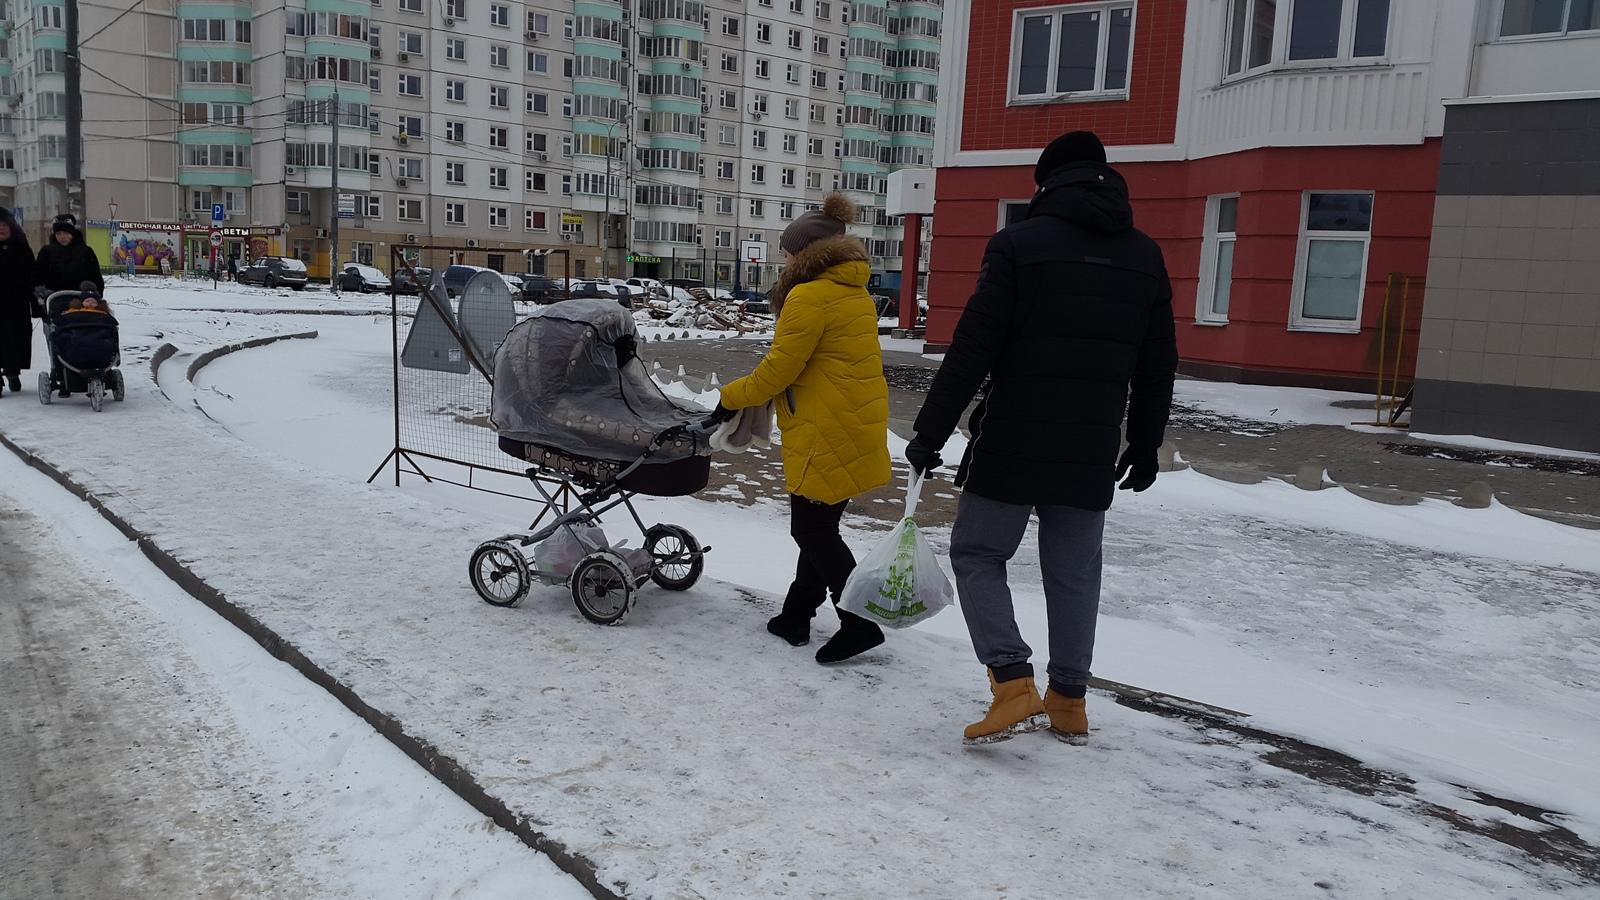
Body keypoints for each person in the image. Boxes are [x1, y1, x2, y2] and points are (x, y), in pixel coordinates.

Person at [906, 131, 1178, 743]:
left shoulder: (1017, 246)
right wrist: (1144, 441)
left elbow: (972, 350)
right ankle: (1069, 701)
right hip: (1090, 447)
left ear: (1046, 184)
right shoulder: (1145, 256)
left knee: (979, 555)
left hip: (1011, 439)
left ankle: (1011, 682)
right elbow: (1159, 360)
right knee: (1075, 572)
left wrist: (931, 433)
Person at [712, 193, 892, 664]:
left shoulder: (809, 295)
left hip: (824, 430)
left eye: (788, 252)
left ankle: (860, 624)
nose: (782, 259)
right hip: (850, 424)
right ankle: (795, 616)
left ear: (808, 255)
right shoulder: (854, 293)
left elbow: (778, 371)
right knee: (819, 529)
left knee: (813, 533)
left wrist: (728, 398)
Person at [0, 207, 36, 397]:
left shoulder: (21, 247)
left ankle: (13, 373)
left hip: (16, 304)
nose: (1, 228)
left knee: (14, 342)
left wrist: (36, 301)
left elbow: (32, 275)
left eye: (5, 224)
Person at [34, 214, 105, 297]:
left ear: (73, 233)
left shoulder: (86, 252)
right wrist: (41, 290)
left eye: (66, 233)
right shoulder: (46, 252)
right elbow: (37, 277)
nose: (62, 237)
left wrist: (94, 293)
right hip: (54, 300)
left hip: (81, 301)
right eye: (58, 233)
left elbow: (96, 278)